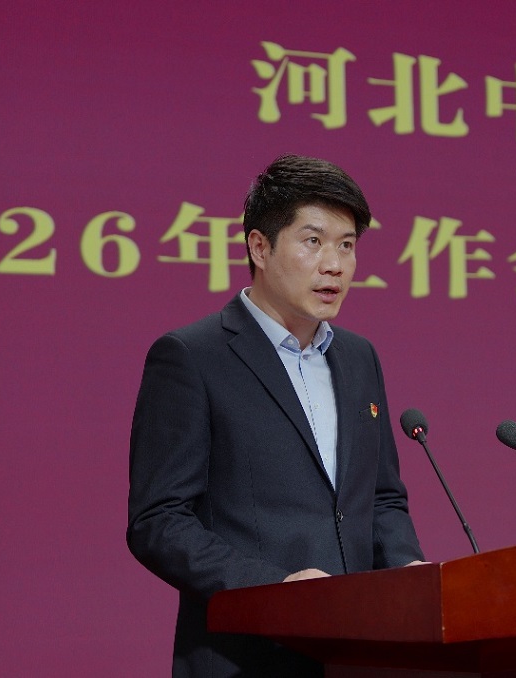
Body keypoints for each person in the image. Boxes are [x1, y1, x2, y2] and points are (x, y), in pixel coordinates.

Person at [127, 154, 425, 677]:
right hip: (247, 655)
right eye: (313, 241)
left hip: (357, 653)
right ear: (259, 247)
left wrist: (408, 571)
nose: (334, 265)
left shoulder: (359, 358)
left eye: (347, 245)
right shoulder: (193, 357)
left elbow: (380, 497)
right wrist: (274, 588)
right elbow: (159, 521)